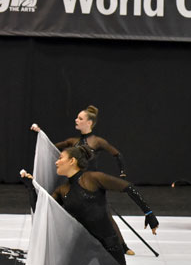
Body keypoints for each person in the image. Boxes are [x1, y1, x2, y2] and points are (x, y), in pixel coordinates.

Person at [21, 145, 167, 265]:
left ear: (72, 161)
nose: (56, 161)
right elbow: (41, 211)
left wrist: (149, 214)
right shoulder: (63, 191)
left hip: (109, 246)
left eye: (61, 157)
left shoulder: (93, 179)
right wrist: (30, 188)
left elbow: (128, 187)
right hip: (83, 247)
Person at [31, 107, 134, 255]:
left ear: (89, 122)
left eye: (80, 118)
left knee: (106, 215)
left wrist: (122, 173)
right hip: (75, 182)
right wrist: (40, 133)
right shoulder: (73, 142)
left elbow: (117, 154)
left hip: (92, 182)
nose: (76, 120)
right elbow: (51, 147)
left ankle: (122, 245)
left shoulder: (98, 141)